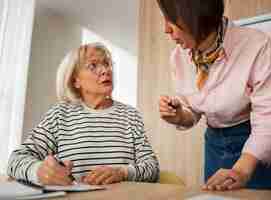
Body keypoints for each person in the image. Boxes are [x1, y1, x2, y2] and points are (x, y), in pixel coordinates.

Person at [156, 0, 271, 191]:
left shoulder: (256, 46)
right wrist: (180, 115)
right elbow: (193, 110)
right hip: (214, 145)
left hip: (254, 143)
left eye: (170, 19)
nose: (166, 30)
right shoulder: (179, 57)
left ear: (195, 13)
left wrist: (242, 170)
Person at [7, 42, 159, 186]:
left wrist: (123, 172)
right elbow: (15, 160)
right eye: (93, 66)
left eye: (107, 63)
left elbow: (152, 168)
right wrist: (39, 171)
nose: (105, 70)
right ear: (76, 81)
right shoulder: (60, 115)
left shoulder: (130, 115)